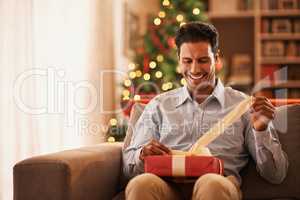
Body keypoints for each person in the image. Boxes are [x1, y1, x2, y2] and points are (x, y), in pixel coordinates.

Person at [122, 21, 288, 200]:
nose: (194, 69)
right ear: (179, 61)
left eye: (203, 60)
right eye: (187, 61)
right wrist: (141, 155)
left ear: (216, 59)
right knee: (141, 184)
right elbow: (128, 170)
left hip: (218, 183)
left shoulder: (244, 106)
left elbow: (276, 174)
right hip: (167, 185)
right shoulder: (159, 106)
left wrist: (261, 130)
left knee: (211, 183)